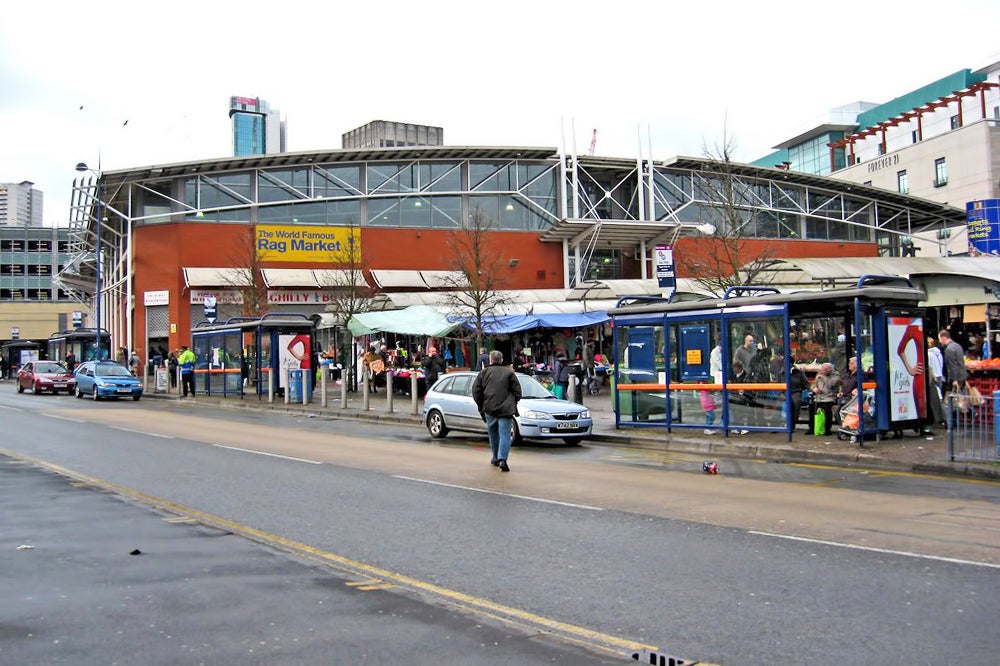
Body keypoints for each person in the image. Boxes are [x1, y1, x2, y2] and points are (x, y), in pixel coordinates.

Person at [472, 350, 522, 472]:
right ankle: (502, 459)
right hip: (506, 408)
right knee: (505, 434)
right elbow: (518, 391)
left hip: (489, 407)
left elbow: (476, 391)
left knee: (493, 434)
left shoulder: (484, 372)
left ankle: (495, 457)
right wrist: (513, 400)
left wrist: (481, 404)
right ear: (501, 359)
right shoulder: (509, 373)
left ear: (490, 360)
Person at [810, 362, 841, 436]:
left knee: (827, 409)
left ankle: (827, 429)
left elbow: (830, 384)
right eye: (821, 369)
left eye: (823, 370)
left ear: (828, 370)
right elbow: (813, 384)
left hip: (830, 397)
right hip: (819, 397)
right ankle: (812, 428)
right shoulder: (820, 374)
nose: (821, 371)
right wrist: (814, 388)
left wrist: (823, 377)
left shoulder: (836, 376)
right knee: (812, 407)